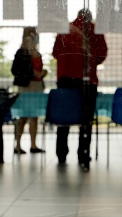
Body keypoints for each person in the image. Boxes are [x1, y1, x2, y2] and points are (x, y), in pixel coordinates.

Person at [52, 9, 107, 171]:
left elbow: (56, 53)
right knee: (86, 120)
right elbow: (101, 56)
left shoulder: (65, 29)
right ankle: (83, 155)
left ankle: (61, 154)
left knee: (64, 118)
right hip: (87, 81)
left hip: (65, 80)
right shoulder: (95, 31)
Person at [11, 27, 47, 154]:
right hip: (26, 88)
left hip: (37, 87)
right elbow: (16, 70)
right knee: (23, 116)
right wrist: (32, 73)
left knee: (34, 117)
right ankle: (18, 145)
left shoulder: (37, 53)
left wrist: (42, 73)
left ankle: (33, 145)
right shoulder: (21, 53)